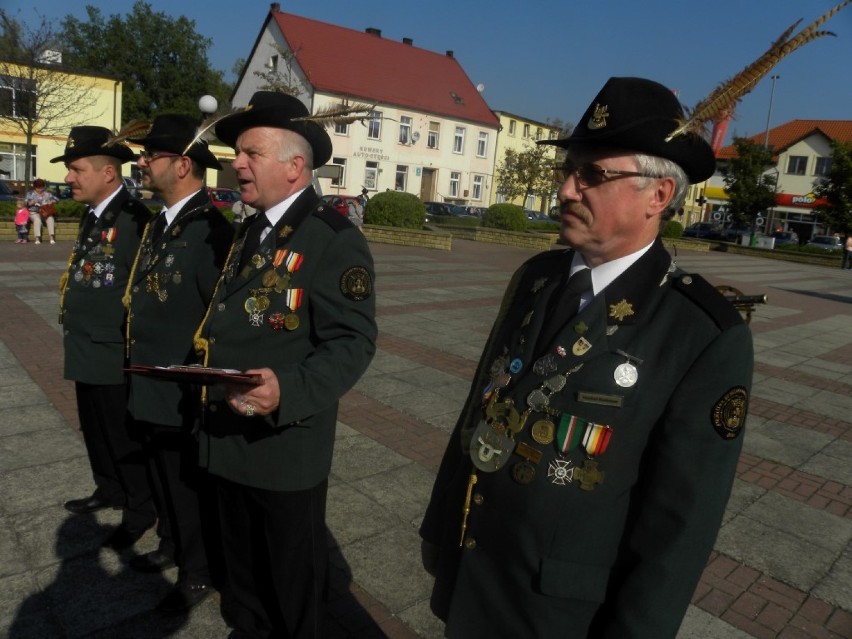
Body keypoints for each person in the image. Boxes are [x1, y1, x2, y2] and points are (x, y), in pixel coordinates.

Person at [419, 77, 754, 638]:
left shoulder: (699, 331)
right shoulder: (537, 277)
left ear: (658, 196)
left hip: (562, 613)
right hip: (474, 576)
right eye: (568, 171)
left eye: (593, 175)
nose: (568, 190)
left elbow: (679, 528)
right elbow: (481, 407)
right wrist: (439, 529)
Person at [195, 91, 377, 638]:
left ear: (295, 166)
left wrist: (289, 389)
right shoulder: (249, 229)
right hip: (227, 432)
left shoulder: (332, 239)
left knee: (293, 576)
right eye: (238, 152)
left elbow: (353, 342)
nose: (236, 163)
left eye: (251, 152)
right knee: (242, 566)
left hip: (284, 444)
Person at [123, 114, 235, 611]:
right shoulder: (160, 224)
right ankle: (171, 543)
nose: (142, 162)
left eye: (151, 155)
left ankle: (198, 570)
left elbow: (217, 315)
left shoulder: (210, 229)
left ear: (183, 164)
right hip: (147, 379)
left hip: (181, 388)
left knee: (187, 484)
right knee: (162, 477)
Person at [54, 126, 157, 551]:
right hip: (86, 344)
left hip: (113, 348)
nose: (70, 178)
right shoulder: (92, 215)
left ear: (109, 173)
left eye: (78, 170)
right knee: (95, 429)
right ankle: (108, 488)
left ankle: (139, 508)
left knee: (121, 433)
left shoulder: (134, 219)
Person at [25, 178, 59, 244]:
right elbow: (25, 203)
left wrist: (51, 201)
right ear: (35, 187)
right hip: (34, 212)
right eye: (38, 188)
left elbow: (57, 199)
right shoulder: (30, 194)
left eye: (41, 188)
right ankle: (37, 238)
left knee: (50, 219)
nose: (40, 189)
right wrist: (30, 203)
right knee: (37, 220)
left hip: (45, 212)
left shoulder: (47, 194)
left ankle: (51, 237)